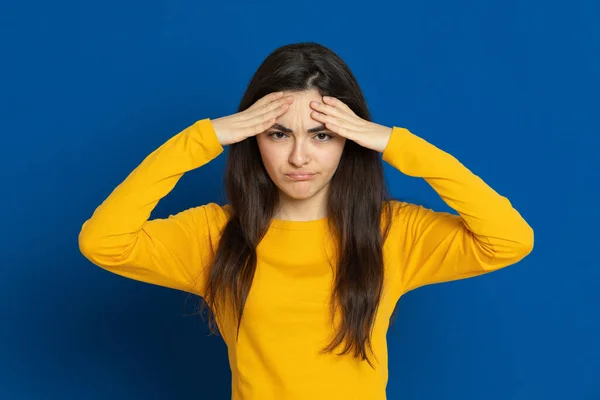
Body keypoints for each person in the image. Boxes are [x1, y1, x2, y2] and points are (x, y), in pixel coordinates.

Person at [78, 42, 534, 400]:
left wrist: (396, 144)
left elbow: (509, 239)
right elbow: (103, 242)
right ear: (254, 138)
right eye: (279, 134)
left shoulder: (392, 233)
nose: (299, 157)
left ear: (350, 140)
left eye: (322, 135)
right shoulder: (215, 237)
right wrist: (204, 137)